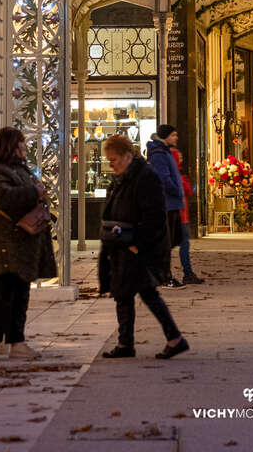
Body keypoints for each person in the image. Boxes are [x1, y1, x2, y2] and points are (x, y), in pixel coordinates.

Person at [99, 134, 189, 360]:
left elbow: (155, 217)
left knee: (136, 294)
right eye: (109, 160)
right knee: (129, 294)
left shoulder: (145, 177)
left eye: (114, 160)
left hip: (137, 247)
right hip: (124, 245)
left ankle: (162, 340)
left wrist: (138, 245)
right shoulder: (123, 177)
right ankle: (134, 342)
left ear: (127, 156)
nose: (111, 164)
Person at [0, 127, 56, 360]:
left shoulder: (19, 169)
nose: (25, 148)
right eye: (22, 144)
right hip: (0, 244)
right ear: (11, 146)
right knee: (0, 293)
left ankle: (16, 341)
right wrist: (34, 191)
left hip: (20, 243)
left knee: (20, 293)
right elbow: (2, 198)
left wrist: (37, 192)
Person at [146, 124, 185, 288]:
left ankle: (159, 275)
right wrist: (176, 190)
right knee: (165, 243)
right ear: (166, 136)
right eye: (174, 135)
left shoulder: (163, 152)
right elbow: (164, 177)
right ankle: (163, 276)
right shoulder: (159, 154)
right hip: (166, 203)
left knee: (169, 241)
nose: (176, 138)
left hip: (171, 203)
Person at [170, 148, 204, 285]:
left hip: (181, 214)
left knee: (182, 244)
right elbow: (187, 189)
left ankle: (187, 272)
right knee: (182, 244)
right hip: (178, 215)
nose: (181, 158)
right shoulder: (176, 174)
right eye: (179, 157)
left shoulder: (177, 173)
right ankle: (187, 273)